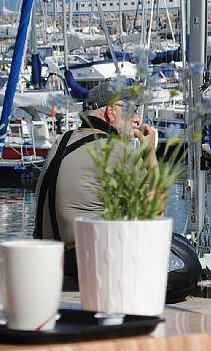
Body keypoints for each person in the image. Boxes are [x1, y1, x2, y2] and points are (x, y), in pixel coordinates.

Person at [34, 79, 157, 254]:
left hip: (47, 255)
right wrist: (150, 155)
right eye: (133, 109)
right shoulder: (116, 150)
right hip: (83, 263)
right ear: (111, 111)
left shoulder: (62, 140)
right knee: (183, 261)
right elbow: (155, 218)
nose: (137, 118)